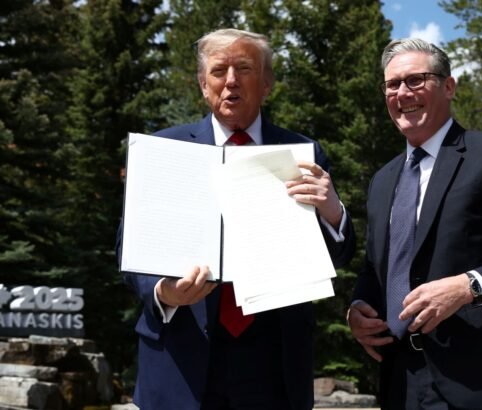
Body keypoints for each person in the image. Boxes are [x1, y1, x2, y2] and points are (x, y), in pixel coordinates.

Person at [119, 28, 355, 410]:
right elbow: (130, 248)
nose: (230, 80)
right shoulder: (164, 150)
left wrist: (332, 211)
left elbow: (338, 256)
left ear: (266, 84)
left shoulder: (303, 154)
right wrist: (164, 291)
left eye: (244, 69)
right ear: (203, 85)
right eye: (218, 71)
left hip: (274, 366)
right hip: (180, 362)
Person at [347, 38, 482, 409]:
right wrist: (358, 308)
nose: (403, 93)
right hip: (400, 381)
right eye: (392, 84)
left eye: (416, 80)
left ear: (448, 86)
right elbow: (378, 266)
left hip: (481, 383)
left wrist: (469, 286)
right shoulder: (382, 180)